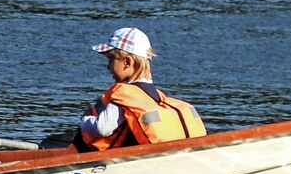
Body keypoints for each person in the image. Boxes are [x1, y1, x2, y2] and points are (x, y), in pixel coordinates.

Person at [72, 27, 205, 151]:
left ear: (127, 62)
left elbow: (102, 128)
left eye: (111, 60)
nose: (108, 67)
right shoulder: (155, 97)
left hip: (119, 161)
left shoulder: (123, 96)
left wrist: (85, 120)